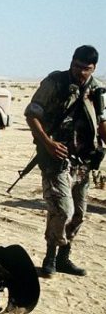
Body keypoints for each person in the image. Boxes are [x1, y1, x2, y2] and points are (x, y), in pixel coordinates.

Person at [24, 45, 105, 277]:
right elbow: (31, 115)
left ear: (94, 68)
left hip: (84, 159)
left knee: (79, 213)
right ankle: (50, 257)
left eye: (86, 69)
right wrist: (48, 143)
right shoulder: (55, 83)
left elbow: (101, 121)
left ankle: (63, 259)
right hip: (55, 157)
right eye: (77, 66)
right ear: (72, 62)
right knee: (62, 210)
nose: (80, 72)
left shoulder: (97, 89)